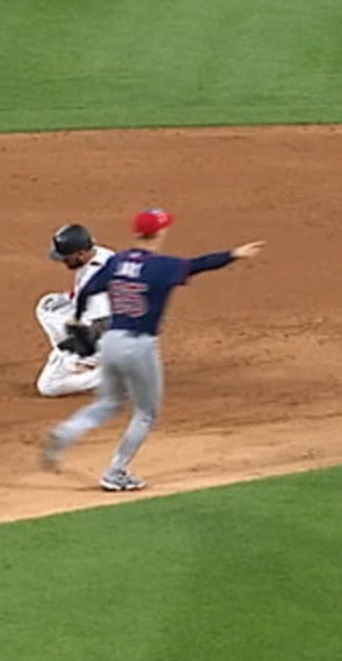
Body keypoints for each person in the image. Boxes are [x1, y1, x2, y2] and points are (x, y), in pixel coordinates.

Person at [41, 208, 264, 492]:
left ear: (136, 232)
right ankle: (116, 472)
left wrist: (76, 318)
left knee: (108, 403)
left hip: (111, 343)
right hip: (139, 346)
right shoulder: (162, 267)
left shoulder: (116, 261)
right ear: (159, 233)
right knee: (146, 413)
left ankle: (66, 432)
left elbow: (88, 290)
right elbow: (200, 264)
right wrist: (234, 254)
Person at [33, 223, 114, 397]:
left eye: (66, 257)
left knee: (48, 386)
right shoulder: (102, 254)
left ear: (81, 253)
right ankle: (66, 356)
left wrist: (75, 344)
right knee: (48, 305)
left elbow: (104, 324)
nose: (63, 261)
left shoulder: (93, 281)